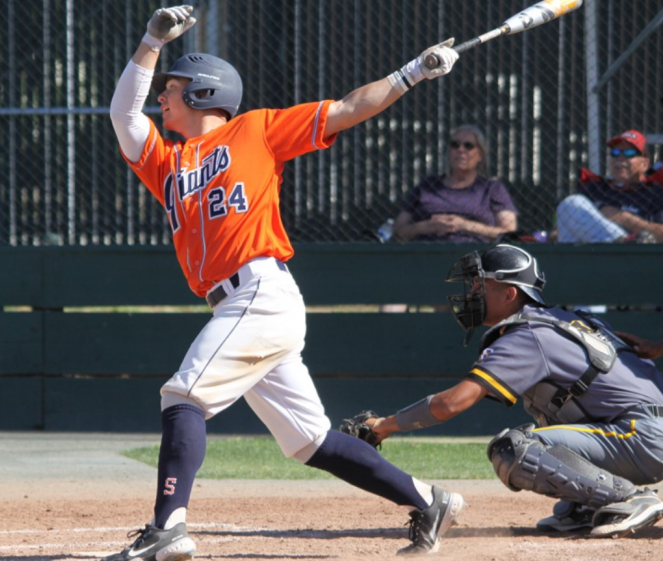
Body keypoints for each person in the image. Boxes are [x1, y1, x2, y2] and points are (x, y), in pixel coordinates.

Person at [104, 5, 464, 560]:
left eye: (173, 88)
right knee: (307, 441)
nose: (162, 97)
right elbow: (123, 113)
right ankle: (427, 499)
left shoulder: (257, 129)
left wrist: (412, 72)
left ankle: (167, 528)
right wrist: (151, 42)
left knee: (183, 394)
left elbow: (346, 109)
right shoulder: (166, 162)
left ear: (204, 93)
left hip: (257, 294)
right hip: (239, 305)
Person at [355, 244, 663, 538]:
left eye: (480, 285)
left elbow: (453, 403)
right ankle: (585, 506)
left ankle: (630, 498)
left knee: (513, 449)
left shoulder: (527, 334)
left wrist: (385, 425)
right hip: (643, 431)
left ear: (509, 293)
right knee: (551, 419)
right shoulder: (572, 319)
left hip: (641, 436)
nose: (472, 292)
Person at [391, 124, 518, 243]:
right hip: (426, 253)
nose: (461, 150)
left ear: (480, 155)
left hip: (474, 255)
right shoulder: (427, 186)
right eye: (455, 145)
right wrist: (426, 226)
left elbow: (509, 233)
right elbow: (398, 232)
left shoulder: (492, 189)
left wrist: (464, 225)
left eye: (468, 146)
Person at [556, 130, 663, 243]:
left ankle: (623, 244)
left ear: (644, 164)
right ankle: (621, 241)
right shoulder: (594, 188)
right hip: (592, 253)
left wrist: (627, 219)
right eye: (615, 153)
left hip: (635, 256)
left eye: (629, 153)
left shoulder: (656, 194)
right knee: (570, 203)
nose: (620, 158)